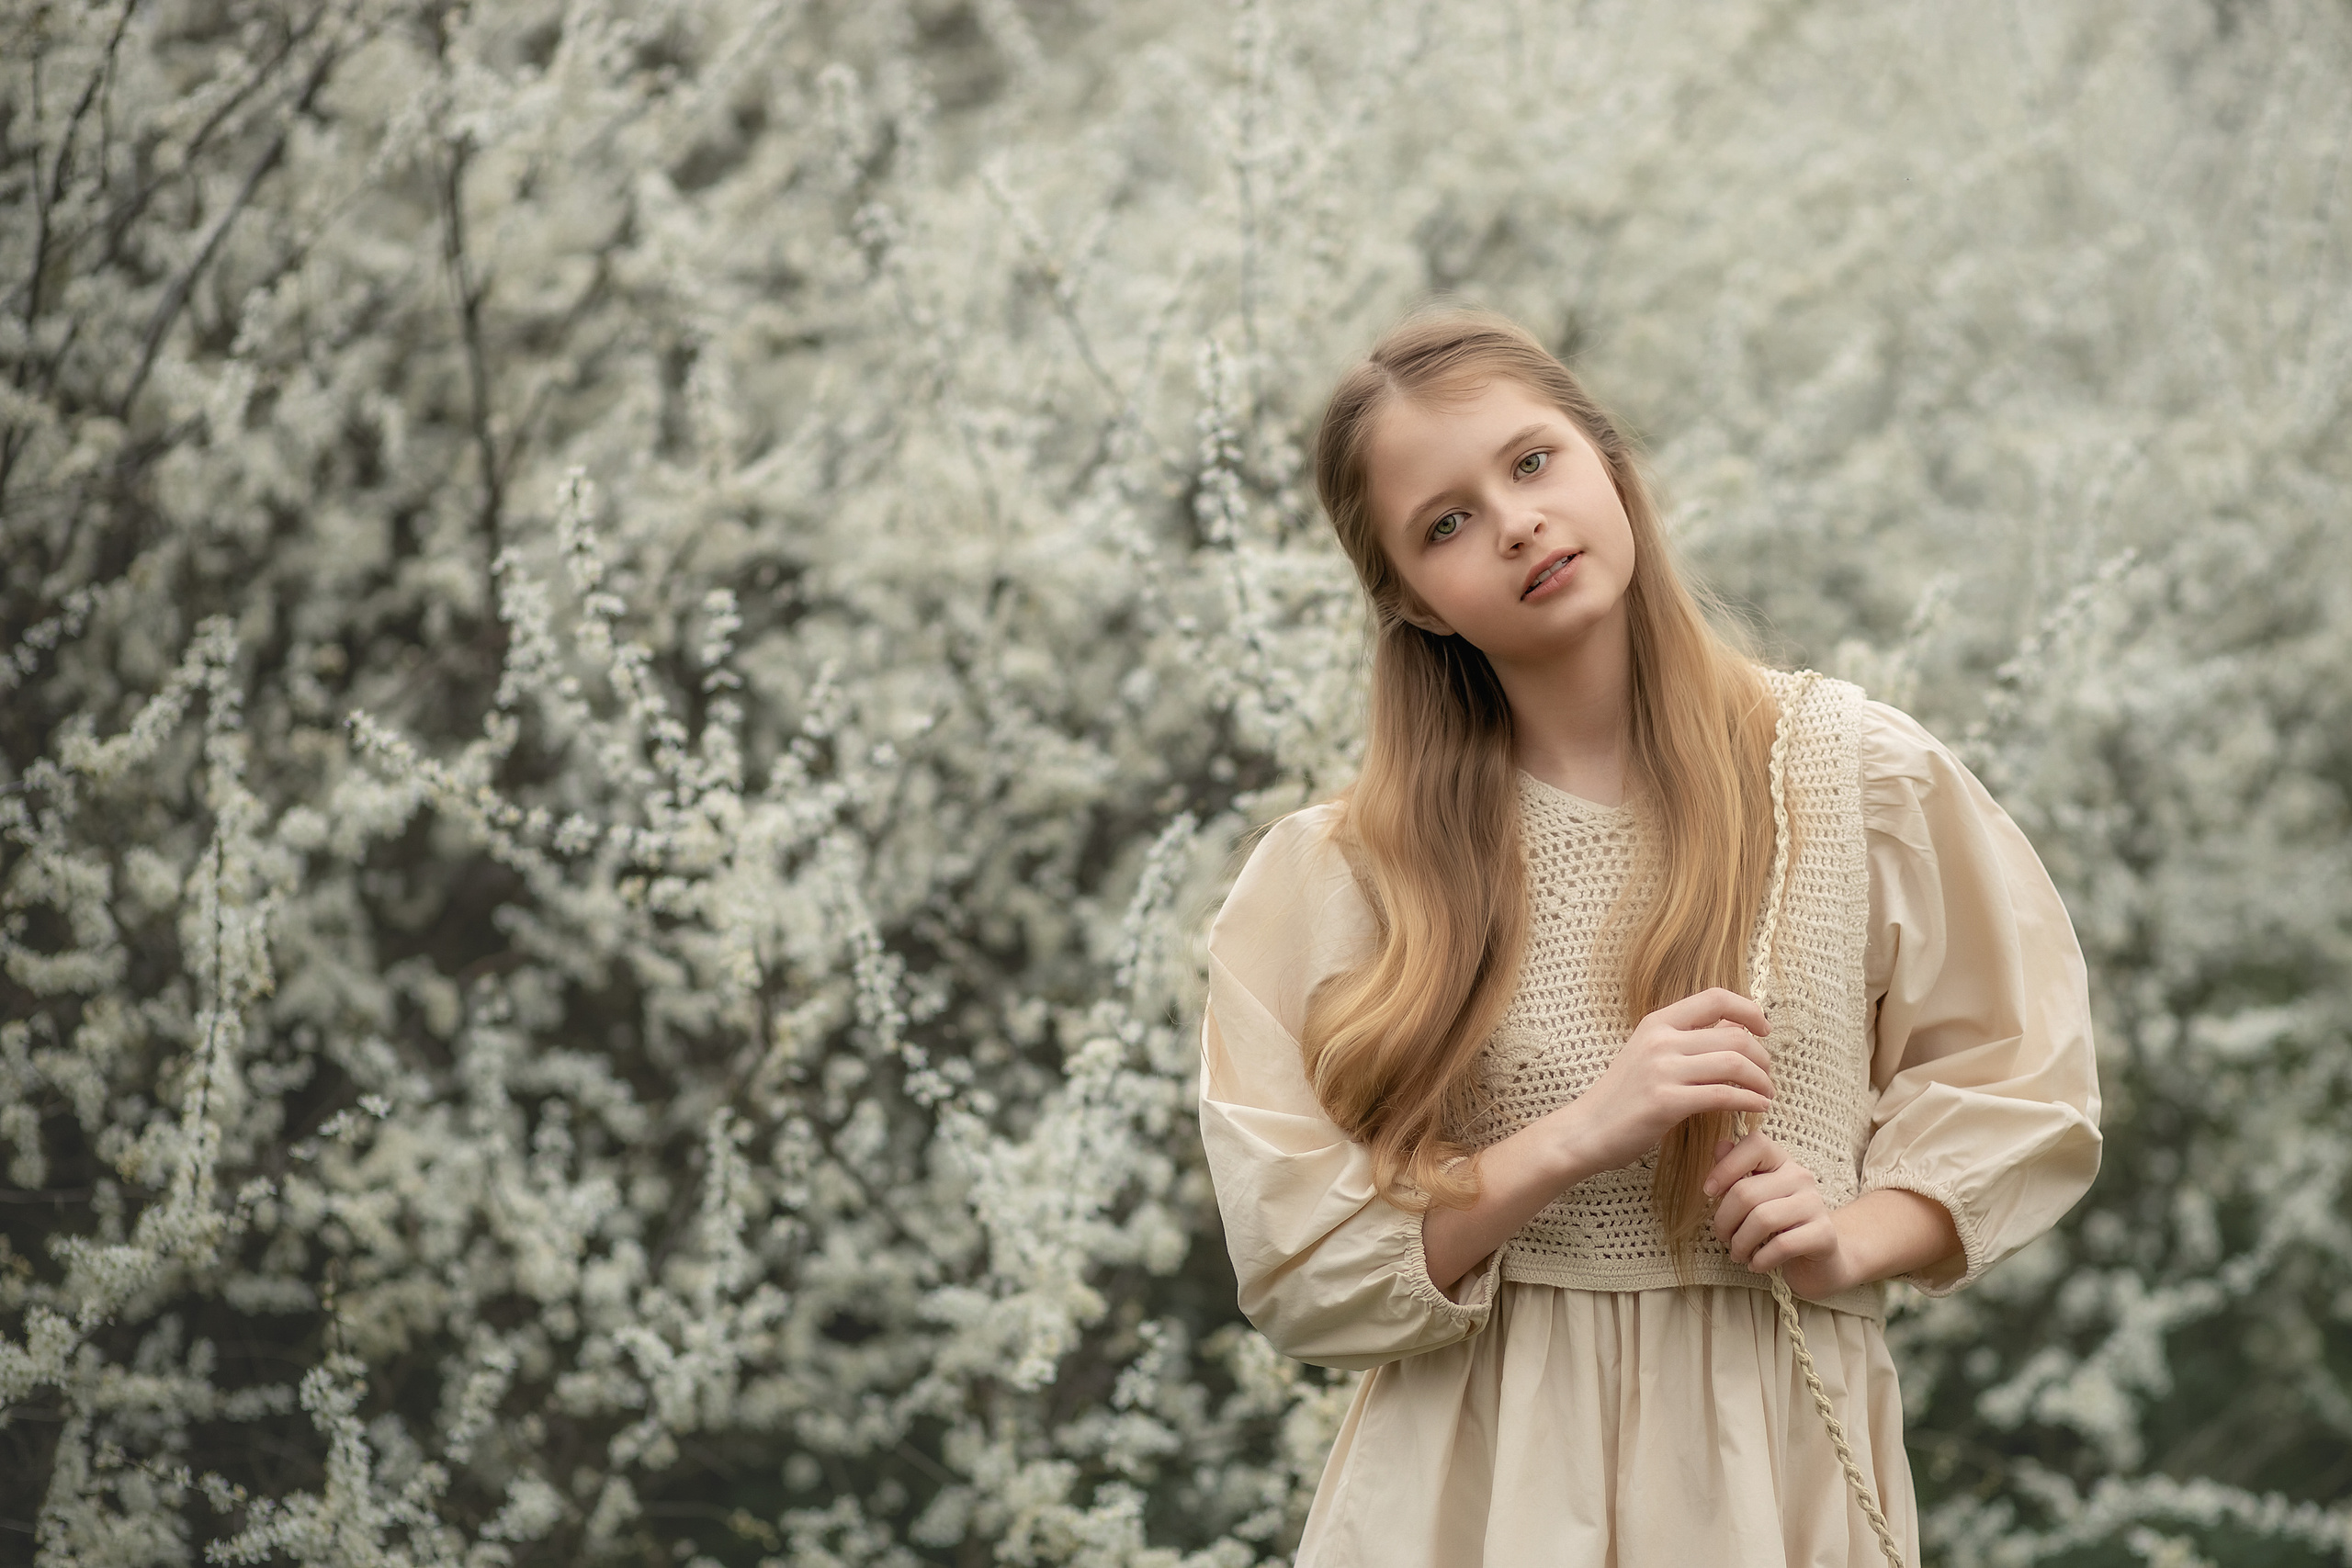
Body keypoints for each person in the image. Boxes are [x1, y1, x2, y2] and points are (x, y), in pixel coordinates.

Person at [1197, 308, 2102, 1565]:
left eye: (1531, 462)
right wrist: (1578, 1135)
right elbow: (1303, 1267)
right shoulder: (1349, 873)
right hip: (1476, 1488)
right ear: (1414, 598)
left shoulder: (1849, 777)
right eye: (1445, 523)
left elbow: (2024, 1091)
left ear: (1607, 461)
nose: (1515, 522)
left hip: (1769, 1466)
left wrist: (1847, 1236)